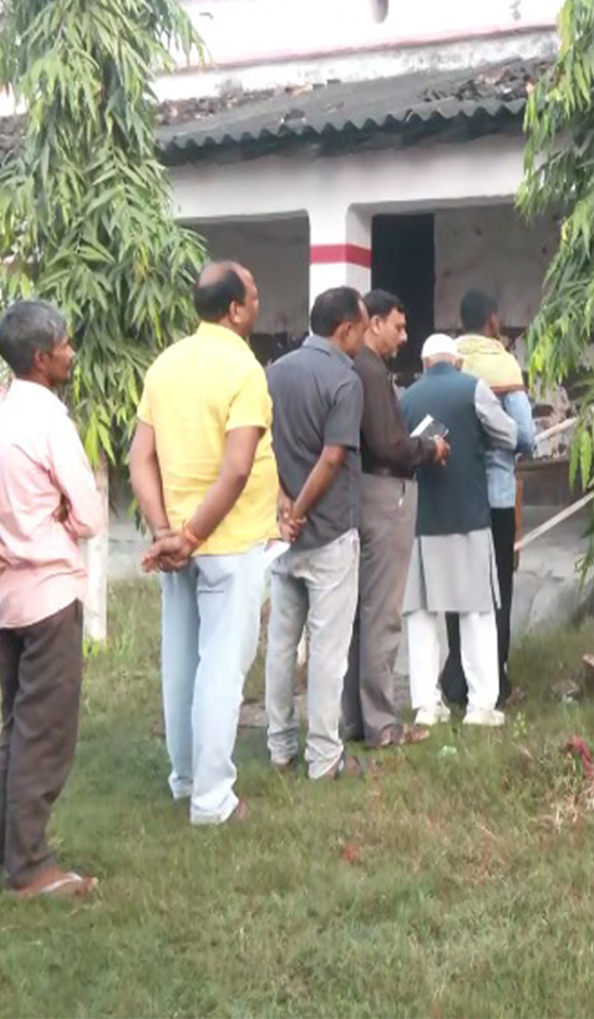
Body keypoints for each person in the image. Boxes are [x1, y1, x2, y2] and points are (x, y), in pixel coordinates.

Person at [130, 262, 277, 826]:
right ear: (235, 309)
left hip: (180, 541)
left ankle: (185, 778)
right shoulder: (244, 368)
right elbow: (238, 468)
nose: (258, 304)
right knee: (222, 666)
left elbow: (140, 456)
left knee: (182, 661)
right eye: (256, 296)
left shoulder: (166, 365)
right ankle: (212, 799)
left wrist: (165, 529)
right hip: (226, 540)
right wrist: (190, 536)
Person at [0, 301, 102, 897]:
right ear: (43, 359)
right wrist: (61, 521)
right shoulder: (49, 418)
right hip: (46, 593)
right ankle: (29, 864)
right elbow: (92, 514)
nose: (73, 352)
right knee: (45, 730)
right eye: (66, 345)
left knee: (15, 724)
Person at [265, 287, 368, 779]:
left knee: (282, 644)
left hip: (282, 535)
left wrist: (283, 506)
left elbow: (258, 445)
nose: (363, 339)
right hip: (327, 532)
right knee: (328, 651)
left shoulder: (274, 372)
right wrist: (301, 508)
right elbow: (333, 457)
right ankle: (324, 758)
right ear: (344, 328)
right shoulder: (344, 381)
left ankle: (280, 747)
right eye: (363, 329)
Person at [343, 289, 446, 749]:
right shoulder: (368, 369)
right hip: (385, 493)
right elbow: (389, 445)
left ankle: (356, 718)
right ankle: (381, 723)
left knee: (359, 615)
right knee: (382, 614)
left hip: (361, 492)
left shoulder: (357, 367)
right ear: (375, 323)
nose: (404, 338)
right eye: (399, 327)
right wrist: (429, 448)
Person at [400, 334, 518, 728]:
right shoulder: (474, 389)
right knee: (477, 612)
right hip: (469, 517)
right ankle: (481, 705)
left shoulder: (408, 397)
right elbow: (510, 435)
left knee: (422, 614)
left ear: (424, 362)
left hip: (423, 520)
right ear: (459, 362)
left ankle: (426, 705)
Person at [451, 289, 537, 706]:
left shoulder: (449, 361)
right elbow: (526, 435)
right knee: (497, 586)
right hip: (497, 497)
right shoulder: (503, 364)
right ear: (492, 321)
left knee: (457, 590)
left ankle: (456, 680)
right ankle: (495, 680)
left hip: (453, 496)